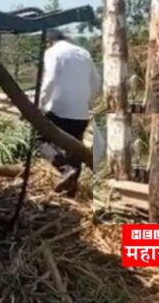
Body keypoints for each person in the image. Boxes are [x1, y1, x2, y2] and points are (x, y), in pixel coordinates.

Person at [37, 29, 102, 196]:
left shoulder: (52, 52)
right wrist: (84, 100)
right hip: (81, 114)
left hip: (59, 111)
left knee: (38, 141)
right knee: (75, 150)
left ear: (49, 41)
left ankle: (65, 170)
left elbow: (49, 79)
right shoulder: (83, 52)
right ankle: (71, 192)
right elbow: (97, 82)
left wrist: (39, 104)